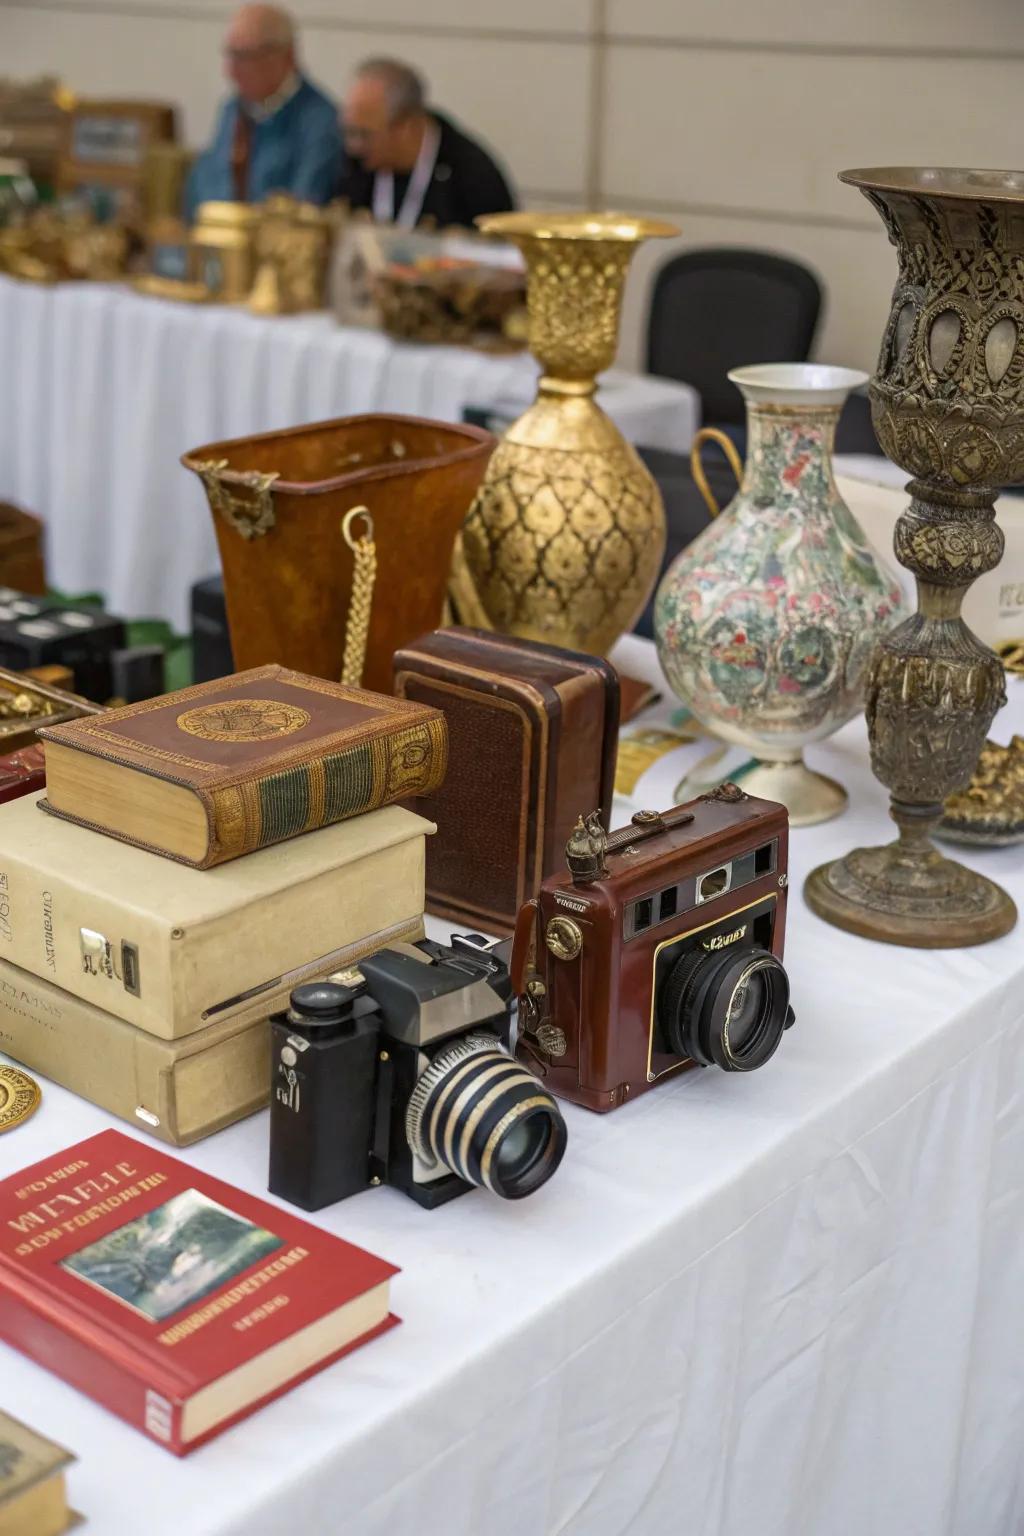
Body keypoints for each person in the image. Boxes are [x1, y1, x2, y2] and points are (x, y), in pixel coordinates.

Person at [184, 4, 342, 220]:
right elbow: (202, 191)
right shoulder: (232, 110)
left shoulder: (321, 122)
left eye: (245, 57)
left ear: (286, 57)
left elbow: (303, 208)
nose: (231, 71)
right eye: (231, 55)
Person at [338, 58, 516, 230]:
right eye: (349, 132)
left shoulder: (472, 177)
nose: (353, 145)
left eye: (364, 134)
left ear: (406, 127)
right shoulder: (353, 166)